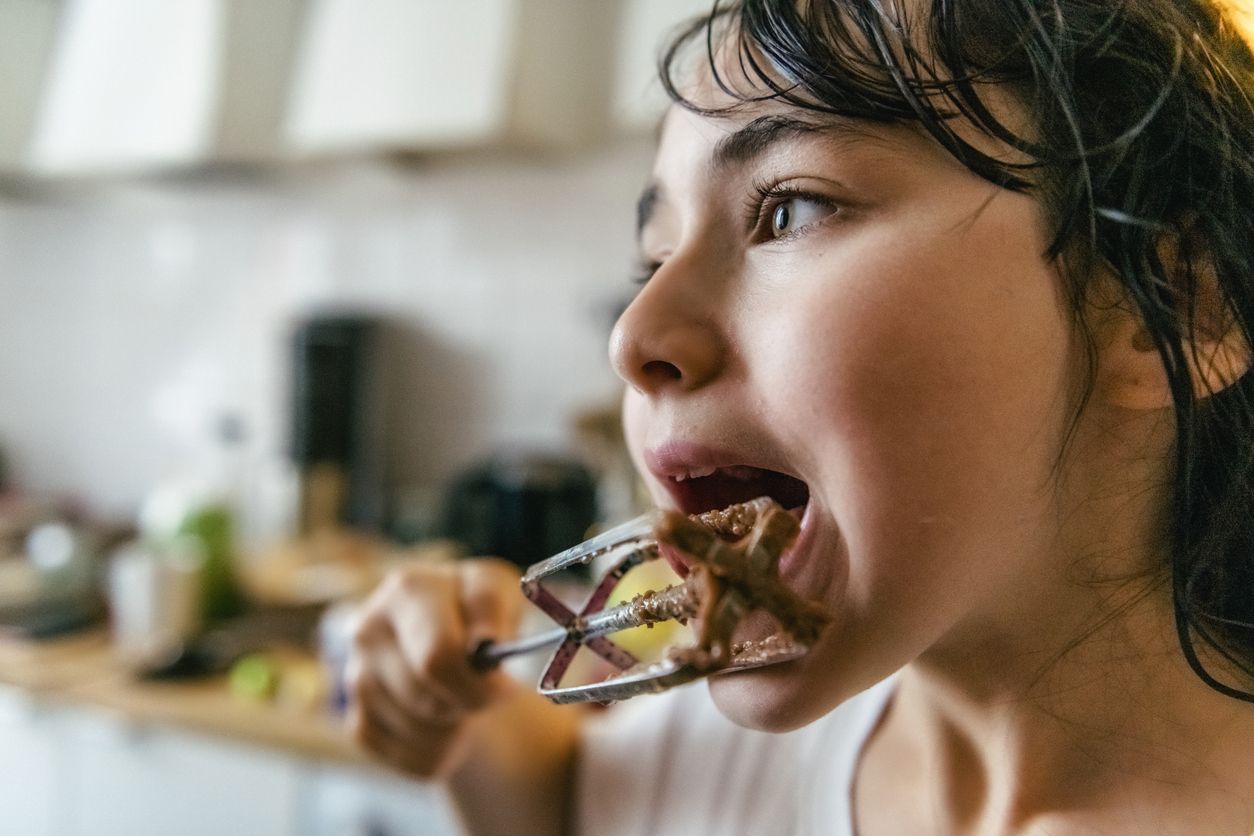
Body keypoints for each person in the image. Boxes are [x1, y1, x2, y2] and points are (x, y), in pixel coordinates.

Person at [346, 1, 1254, 833]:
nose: (635, 335)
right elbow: (576, 807)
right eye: (653, 258)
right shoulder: (721, 756)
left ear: (1174, 306)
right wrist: (472, 727)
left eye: (791, 208)